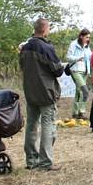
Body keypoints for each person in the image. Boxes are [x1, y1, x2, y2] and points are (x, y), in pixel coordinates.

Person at [19, 18, 65, 171]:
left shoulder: (24, 48)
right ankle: (45, 162)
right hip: (46, 92)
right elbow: (58, 70)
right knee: (47, 124)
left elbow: (23, 67)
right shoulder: (46, 47)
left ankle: (31, 160)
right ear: (45, 30)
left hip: (30, 90)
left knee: (31, 124)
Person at [66, 28, 92, 119]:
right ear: (81, 36)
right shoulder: (73, 44)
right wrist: (77, 58)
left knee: (79, 91)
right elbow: (68, 57)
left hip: (85, 71)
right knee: (84, 90)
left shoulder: (87, 46)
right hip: (75, 70)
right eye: (86, 37)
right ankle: (80, 111)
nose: (88, 39)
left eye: (89, 37)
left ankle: (78, 113)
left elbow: (90, 57)